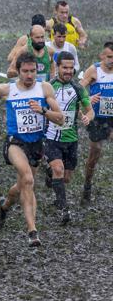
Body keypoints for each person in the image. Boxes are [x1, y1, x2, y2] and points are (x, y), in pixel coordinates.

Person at [0, 52, 63, 247]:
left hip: (36, 144)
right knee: (28, 180)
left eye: (33, 71)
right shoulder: (8, 89)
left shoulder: (44, 88)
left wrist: (43, 111)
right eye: (25, 71)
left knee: (21, 186)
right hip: (15, 143)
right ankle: (32, 231)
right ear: (18, 71)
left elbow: (60, 118)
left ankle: (5, 206)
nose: (29, 75)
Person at [43, 51, 93, 223]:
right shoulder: (48, 87)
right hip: (51, 138)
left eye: (71, 68)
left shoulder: (78, 88)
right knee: (59, 169)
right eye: (65, 67)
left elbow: (90, 110)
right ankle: (64, 210)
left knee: (66, 178)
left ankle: (49, 174)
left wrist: (88, 117)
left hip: (71, 139)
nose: (68, 71)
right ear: (57, 67)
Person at [79, 41, 113, 205]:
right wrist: (88, 98)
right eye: (109, 57)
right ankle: (87, 184)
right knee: (95, 154)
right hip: (97, 118)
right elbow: (79, 88)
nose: (112, 60)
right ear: (102, 56)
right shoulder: (94, 70)